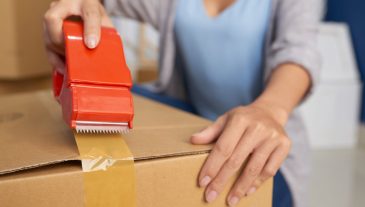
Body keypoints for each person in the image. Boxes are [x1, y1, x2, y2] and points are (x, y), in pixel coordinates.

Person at [43, 0, 322, 206]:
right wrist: (78, 8)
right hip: (192, 118)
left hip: (265, 131)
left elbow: (298, 52)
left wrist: (270, 109)